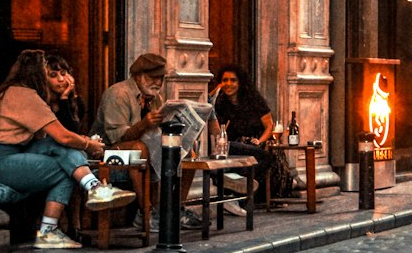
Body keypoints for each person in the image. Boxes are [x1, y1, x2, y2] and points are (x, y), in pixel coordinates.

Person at [0, 48, 134, 252]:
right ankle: (50, 230)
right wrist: (88, 144)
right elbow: (64, 135)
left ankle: (94, 188)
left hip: (10, 155)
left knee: (59, 149)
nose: (60, 78)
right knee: (64, 170)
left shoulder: (14, 91)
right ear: (36, 73)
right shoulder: (25, 96)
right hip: (4, 161)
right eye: (48, 72)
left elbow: (59, 139)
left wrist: (80, 139)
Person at [92, 53, 200, 226]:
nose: (158, 83)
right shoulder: (119, 94)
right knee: (138, 149)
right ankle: (146, 212)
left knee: (188, 147)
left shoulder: (154, 98)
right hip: (107, 156)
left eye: (161, 78)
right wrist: (144, 124)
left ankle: (177, 209)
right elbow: (116, 138)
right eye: (152, 77)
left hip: (144, 152)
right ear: (138, 76)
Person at [210, 64, 275, 209]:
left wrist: (260, 140)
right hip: (232, 145)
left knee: (264, 157)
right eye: (224, 80)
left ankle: (236, 194)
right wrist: (217, 89)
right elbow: (206, 103)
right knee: (233, 152)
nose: (228, 84)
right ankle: (237, 194)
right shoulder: (220, 101)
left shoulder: (253, 99)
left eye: (233, 80)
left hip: (254, 144)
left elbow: (269, 126)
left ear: (240, 83)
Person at [45, 55, 85, 135]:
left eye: (63, 73)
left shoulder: (77, 102)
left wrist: (64, 98)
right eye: (53, 75)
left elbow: (72, 133)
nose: (61, 79)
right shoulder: (39, 102)